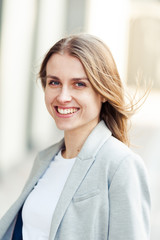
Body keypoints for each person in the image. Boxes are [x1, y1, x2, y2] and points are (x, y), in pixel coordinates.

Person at [0, 33, 150, 240]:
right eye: (54, 82)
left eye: (79, 84)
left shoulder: (120, 165)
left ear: (103, 91)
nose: (62, 97)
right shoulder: (44, 159)